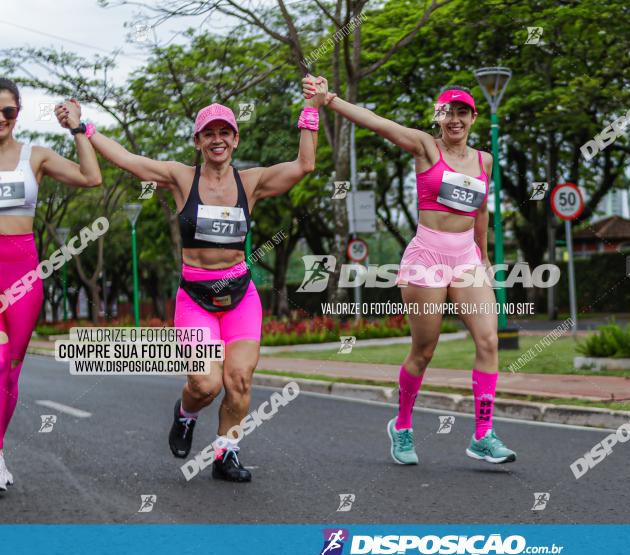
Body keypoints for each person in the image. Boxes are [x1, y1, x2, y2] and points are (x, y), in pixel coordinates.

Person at [60, 77, 326, 482]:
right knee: (204, 384)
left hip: (239, 296)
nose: (217, 139)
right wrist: (84, 128)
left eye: (224, 132)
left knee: (238, 380)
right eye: (209, 133)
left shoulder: (250, 183)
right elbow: (129, 159)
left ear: (235, 140)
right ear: (198, 141)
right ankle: (185, 415)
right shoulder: (181, 177)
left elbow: (305, 165)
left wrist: (312, 107)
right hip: (196, 298)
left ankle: (225, 453)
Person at [306, 80, 516, 465]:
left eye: (462, 112)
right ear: (438, 118)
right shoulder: (425, 146)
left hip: (466, 257)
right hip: (428, 257)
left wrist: (483, 257)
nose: (455, 119)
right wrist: (330, 100)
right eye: (447, 112)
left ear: (472, 118)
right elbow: (377, 123)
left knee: (489, 340)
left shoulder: (484, 161)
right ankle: (401, 426)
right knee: (424, 350)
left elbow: (482, 210)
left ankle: (483, 434)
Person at [0, 79, 102, 490]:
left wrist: (78, 129)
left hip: (23, 273)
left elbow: (91, 177)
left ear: (17, 113)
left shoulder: (35, 156)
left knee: (9, 376)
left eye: (7, 111)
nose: (0, 119)